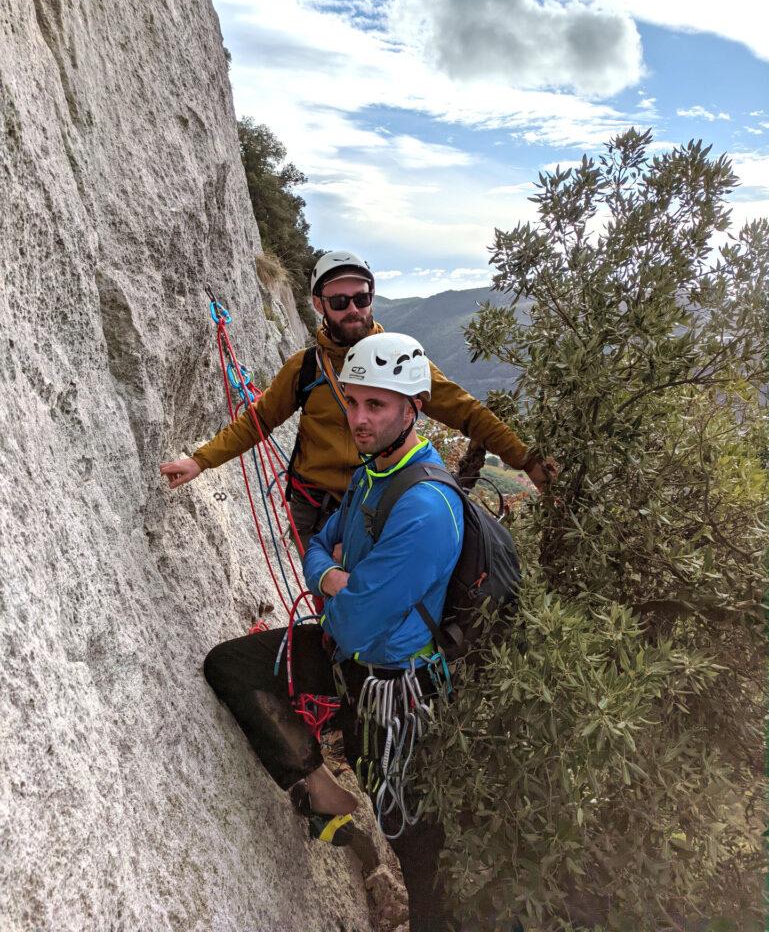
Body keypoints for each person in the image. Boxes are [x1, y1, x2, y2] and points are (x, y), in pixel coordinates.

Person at [203, 333, 466, 932]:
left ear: (412, 408)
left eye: (377, 405)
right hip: (349, 658)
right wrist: (334, 576)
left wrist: (338, 585)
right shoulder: (374, 473)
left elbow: (351, 620)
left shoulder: (425, 506)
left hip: (394, 690)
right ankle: (321, 788)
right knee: (232, 665)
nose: (359, 418)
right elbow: (321, 544)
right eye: (353, 402)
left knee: (412, 840)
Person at [160, 251, 553, 549]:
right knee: (328, 594)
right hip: (314, 507)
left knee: (366, 600)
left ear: (371, 298)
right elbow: (258, 421)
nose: (353, 309)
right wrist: (201, 460)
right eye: (339, 301)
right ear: (318, 305)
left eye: (361, 299)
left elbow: (467, 412)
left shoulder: (399, 362)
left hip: (376, 505)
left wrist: (526, 460)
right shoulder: (306, 368)